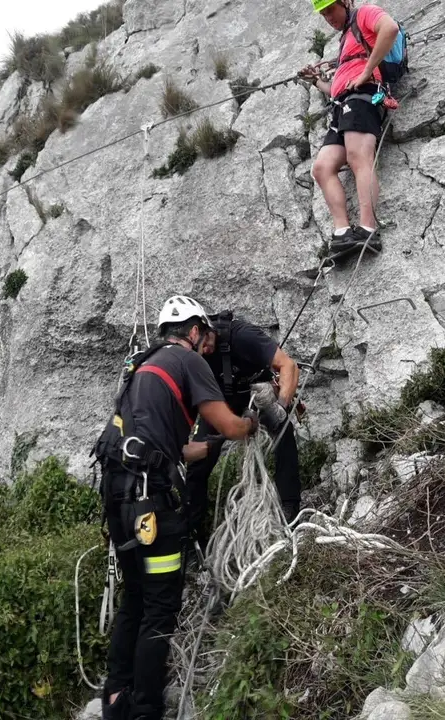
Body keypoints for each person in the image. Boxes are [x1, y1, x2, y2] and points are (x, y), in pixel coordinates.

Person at [93, 296, 258, 720]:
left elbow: (169, 448)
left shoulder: (142, 366)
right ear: (194, 330)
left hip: (118, 497)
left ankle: (115, 698)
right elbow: (229, 424)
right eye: (203, 332)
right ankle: (146, 709)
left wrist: (208, 449)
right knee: (161, 608)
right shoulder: (189, 362)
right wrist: (254, 420)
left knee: (134, 599)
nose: (208, 341)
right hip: (152, 503)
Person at [185, 310, 303, 550]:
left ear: (208, 330)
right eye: (200, 348)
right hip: (221, 401)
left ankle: (289, 506)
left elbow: (288, 365)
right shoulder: (191, 355)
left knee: (283, 433)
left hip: (257, 393)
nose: (205, 350)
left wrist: (280, 406)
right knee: (199, 463)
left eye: (206, 343)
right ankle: (191, 530)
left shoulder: (242, 336)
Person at [300, 0, 400, 261]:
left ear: (345, 2)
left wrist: (367, 71)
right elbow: (336, 88)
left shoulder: (365, 13)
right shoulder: (346, 39)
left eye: (330, 9)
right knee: (322, 168)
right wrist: (316, 81)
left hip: (364, 97)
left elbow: (389, 28)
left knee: (358, 157)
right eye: (323, 14)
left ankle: (367, 230)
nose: (328, 18)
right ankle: (343, 233)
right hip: (343, 103)